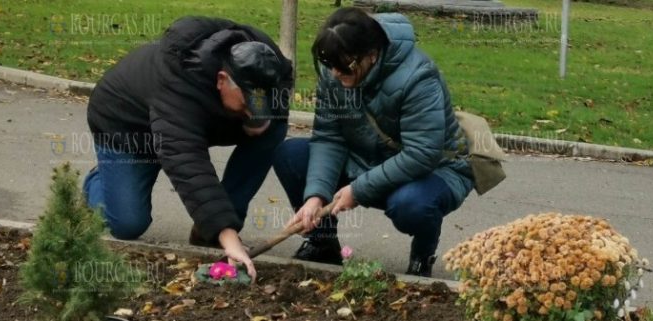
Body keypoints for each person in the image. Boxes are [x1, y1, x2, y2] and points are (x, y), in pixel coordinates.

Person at [84, 16, 294, 281]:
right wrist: (229, 239)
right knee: (127, 224)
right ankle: (98, 181)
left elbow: (282, 86)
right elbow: (187, 162)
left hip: (192, 125)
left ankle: (212, 227)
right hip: (127, 127)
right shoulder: (177, 83)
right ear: (222, 79)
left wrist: (262, 117)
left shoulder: (264, 58)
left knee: (274, 129)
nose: (252, 111)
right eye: (247, 103)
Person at [272, 8, 474, 276]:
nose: (334, 74)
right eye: (330, 65)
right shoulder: (335, 69)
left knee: (411, 205)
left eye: (343, 67)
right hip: (366, 160)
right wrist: (315, 197)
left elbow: (422, 154)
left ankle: (422, 256)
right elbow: (328, 137)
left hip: (434, 170)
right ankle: (322, 244)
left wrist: (358, 189)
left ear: (371, 54)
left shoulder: (418, 77)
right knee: (291, 155)